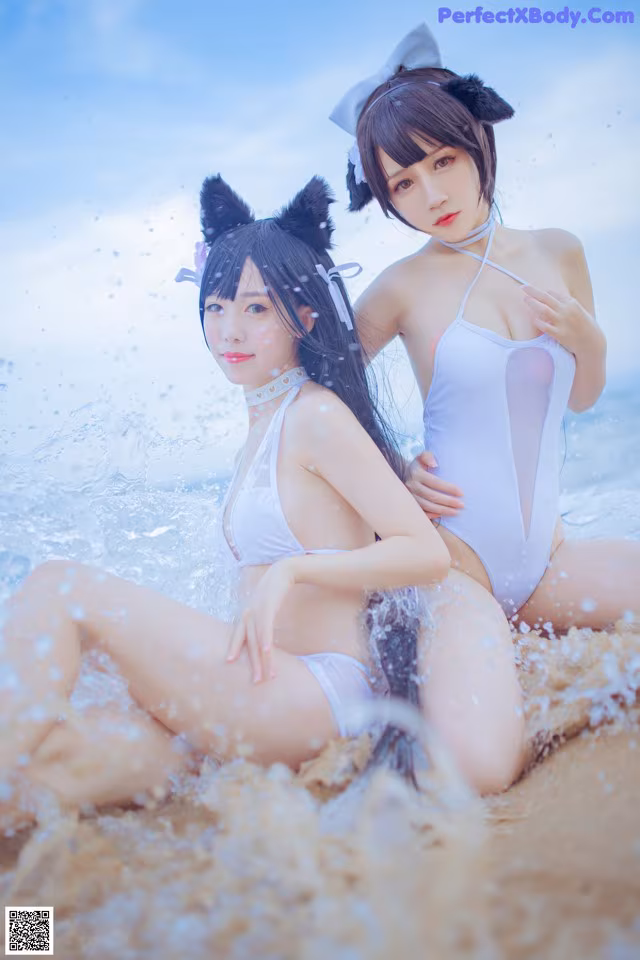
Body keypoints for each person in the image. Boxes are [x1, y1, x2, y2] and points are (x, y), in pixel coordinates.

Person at [0, 174, 460, 834]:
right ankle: (28, 937)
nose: (228, 329)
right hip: (259, 692)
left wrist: (294, 571)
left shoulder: (315, 415)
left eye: (255, 309)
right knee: (39, 782)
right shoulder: (264, 423)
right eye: (215, 307)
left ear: (303, 317)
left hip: (314, 695)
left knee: (58, 587)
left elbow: (426, 553)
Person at [329, 22, 640, 632]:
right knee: (483, 730)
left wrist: (589, 341)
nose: (434, 194)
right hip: (452, 566)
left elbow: (582, 396)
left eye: (443, 160)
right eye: (404, 183)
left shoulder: (559, 252)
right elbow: (320, 389)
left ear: (477, 140)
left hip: (551, 562)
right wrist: (393, 473)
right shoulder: (400, 287)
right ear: (386, 195)